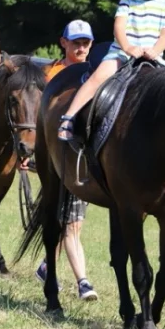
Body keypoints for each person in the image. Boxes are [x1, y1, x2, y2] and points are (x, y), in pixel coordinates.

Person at [57, 0, 165, 141]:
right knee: (97, 78)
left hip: (153, 54)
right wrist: (128, 48)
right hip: (121, 52)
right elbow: (119, 26)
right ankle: (69, 116)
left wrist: (155, 50)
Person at [35, 20, 99, 300]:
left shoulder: (94, 73)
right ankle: (83, 282)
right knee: (70, 226)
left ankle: (47, 267)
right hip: (56, 158)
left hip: (81, 159)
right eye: (76, 43)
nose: (81, 48)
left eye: (85, 43)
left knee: (72, 225)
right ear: (64, 43)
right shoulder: (51, 75)